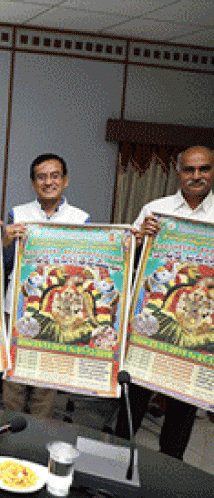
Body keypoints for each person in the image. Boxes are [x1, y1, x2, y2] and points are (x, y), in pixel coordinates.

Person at [115, 145, 214, 460]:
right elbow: (125, 261)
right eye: (189, 169)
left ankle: (169, 470)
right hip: (152, 322)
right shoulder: (155, 209)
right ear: (178, 172)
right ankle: (114, 463)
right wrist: (139, 239)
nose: (196, 176)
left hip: (198, 331)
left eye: (204, 169)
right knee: (132, 401)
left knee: (182, 410)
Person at [0, 153, 90, 418]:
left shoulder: (81, 219)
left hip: (60, 311)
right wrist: (4, 239)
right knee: (14, 380)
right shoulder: (18, 213)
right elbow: (4, 262)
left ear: (65, 180)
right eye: (41, 177)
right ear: (33, 183)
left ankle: (38, 435)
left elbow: (87, 267)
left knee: (46, 381)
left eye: (55, 176)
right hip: (18, 306)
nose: (48, 182)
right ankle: (10, 431)